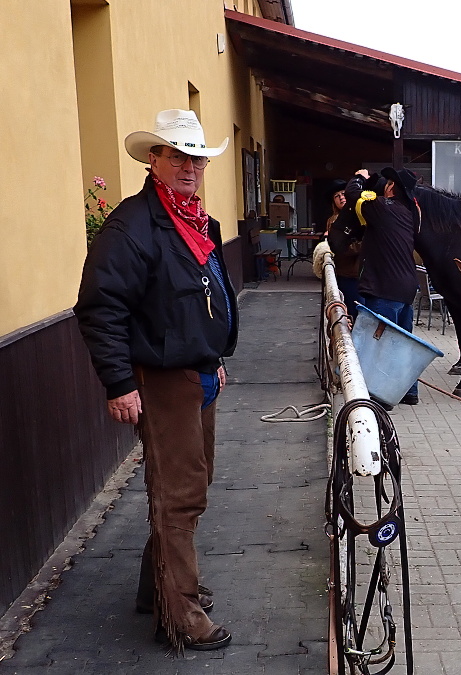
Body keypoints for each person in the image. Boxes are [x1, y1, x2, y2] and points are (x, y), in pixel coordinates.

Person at [74, 109, 238, 651]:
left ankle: (158, 588)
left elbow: (199, 300)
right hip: (162, 379)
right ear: (154, 159)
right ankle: (181, 612)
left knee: (190, 485)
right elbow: (101, 307)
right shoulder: (133, 226)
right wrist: (120, 383)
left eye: (196, 157)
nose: (189, 166)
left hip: (197, 373)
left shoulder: (193, 221)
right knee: (180, 495)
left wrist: (214, 354)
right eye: (178, 156)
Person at [344, 167, 420, 405]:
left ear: (390, 188)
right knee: (404, 341)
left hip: (385, 286)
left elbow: (353, 195)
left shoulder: (381, 207)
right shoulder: (409, 212)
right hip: (407, 286)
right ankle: (410, 392)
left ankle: (381, 396)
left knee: (382, 342)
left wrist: (359, 178)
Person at [324, 179, 362, 319]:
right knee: (354, 313)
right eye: (337, 196)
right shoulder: (335, 221)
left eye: (343, 194)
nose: (341, 198)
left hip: (361, 273)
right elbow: (343, 248)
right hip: (348, 273)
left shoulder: (358, 213)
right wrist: (367, 244)